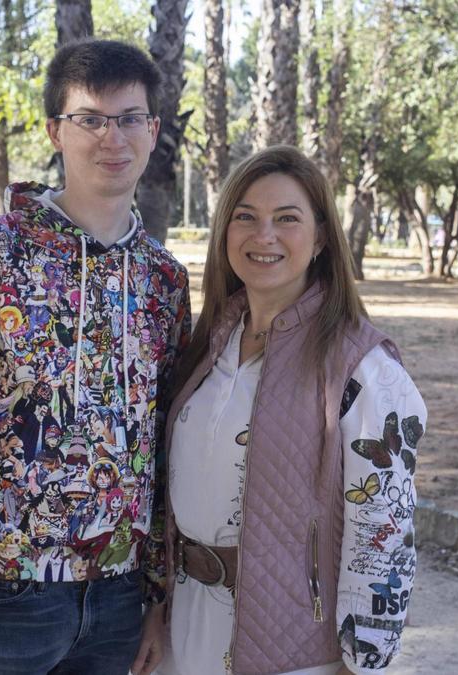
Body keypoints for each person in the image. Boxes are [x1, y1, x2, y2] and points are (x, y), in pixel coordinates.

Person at [0, 39, 191, 675]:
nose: (111, 138)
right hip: (6, 593)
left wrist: (157, 598)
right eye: (90, 119)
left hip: (119, 599)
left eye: (129, 119)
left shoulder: (165, 280)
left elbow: (164, 443)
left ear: (154, 132)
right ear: (56, 131)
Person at [158, 146, 426, 675]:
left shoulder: (363, 366)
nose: (264, 236)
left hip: (295, 647)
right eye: (246, 218)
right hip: (186, 626)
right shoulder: (210, 344)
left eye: (287, 219)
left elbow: (384, 527)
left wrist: (364, 662)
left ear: (322, 237)